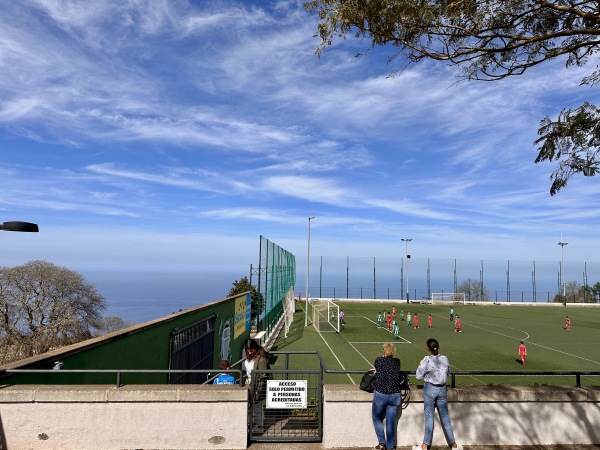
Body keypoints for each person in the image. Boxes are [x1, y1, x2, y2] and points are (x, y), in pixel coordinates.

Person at [413, 338, 463, 450]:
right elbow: (448, 372)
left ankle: (425, 445)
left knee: (429, 418)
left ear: (428, 349)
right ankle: (453, 444)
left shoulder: (427, 360)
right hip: (442, 390)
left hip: (430, 390)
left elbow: (418, 376)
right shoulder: (444, 358)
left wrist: (420, 364)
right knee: (445, 417)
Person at [371, 342, 403, 450]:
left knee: (376, 418)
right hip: (395, 395)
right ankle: (390, 447)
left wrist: (377, 371)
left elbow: (379, 368)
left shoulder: (379, 360)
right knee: (391, 421)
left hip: (381, 394)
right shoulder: (397, 362)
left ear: (384, 351)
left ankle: (381, 443)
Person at [244, 339, 270, 433]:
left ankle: (259, 426)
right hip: (251, 383)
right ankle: (258, 423)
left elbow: (263, 375)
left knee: (257, 405)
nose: (249, 352)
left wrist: (258, 389)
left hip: (257, 384)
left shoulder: (261, 358)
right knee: (256, 405)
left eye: (251, 350)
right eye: (248, 350)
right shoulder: (250, 356)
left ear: (255, 348)